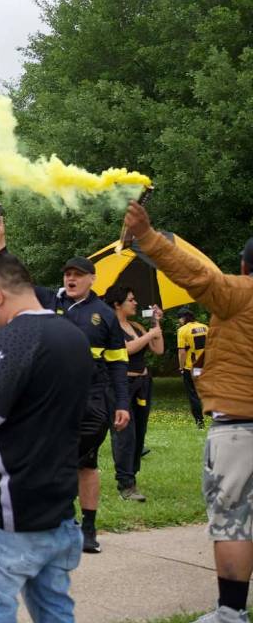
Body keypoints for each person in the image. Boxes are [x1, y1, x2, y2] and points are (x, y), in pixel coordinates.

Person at [0, 250, 93, 622]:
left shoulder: (13, 337)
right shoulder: (72, 334)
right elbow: (35, 399)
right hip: (58, 510)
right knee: (56, 613)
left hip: (8, 518)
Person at [121, 204, 253, 623]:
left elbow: (196, 275)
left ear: (244, 265)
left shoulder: (238, 292)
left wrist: (147, 236)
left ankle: (231, 611)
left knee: (233, 520)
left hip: (238, 427)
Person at [0, 218, 130, 554]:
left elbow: (118, 363)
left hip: (91, 399)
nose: (71, 278)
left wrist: (122, 403)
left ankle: (88, 528)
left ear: (92, 279)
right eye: (68, 273)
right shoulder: (48, 300)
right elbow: (15, 281)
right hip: (49, 398)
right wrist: (0, 246)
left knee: (84, 463)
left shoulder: (104, 316)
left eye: (78, 274)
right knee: (53, 460)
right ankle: (58, 523)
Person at [104, 286, 164, 502]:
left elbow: (158, 350)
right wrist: (150, 334)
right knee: (124, 434)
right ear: (117, 304)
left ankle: (132, 476)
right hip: (120, 384)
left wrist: (156, 324)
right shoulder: (109, 327)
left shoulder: (137, 326)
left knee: (139, 433)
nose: (135, 303)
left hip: (143, 383)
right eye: (131, 299)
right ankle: (126, 484)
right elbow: (125, 350)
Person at [177, 309, 208, 428]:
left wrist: (181, 367)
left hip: (191, 367)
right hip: (207, 365)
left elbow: (182, 352)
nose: (179, 322)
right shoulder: (205, 327)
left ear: (183, 318)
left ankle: (200, 422)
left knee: (193, 394)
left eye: (179, 319)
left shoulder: (182, 330)